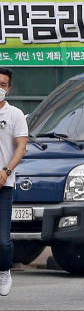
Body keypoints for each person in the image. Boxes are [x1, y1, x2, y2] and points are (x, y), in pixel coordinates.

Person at [0, 67, 28, 296]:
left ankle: (4, 270)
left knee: (2, 241)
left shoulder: (15, 115)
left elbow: (21, 147)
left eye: (2, 85)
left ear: (8, 89)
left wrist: (6, 171)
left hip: (3, 185)